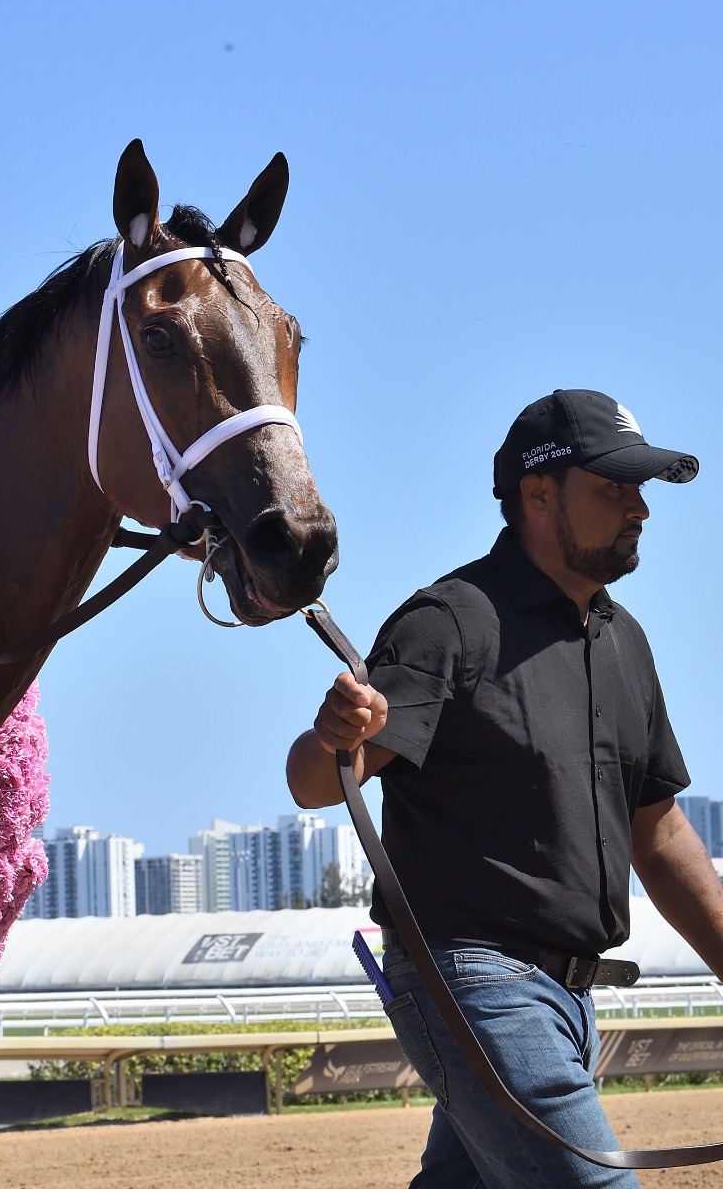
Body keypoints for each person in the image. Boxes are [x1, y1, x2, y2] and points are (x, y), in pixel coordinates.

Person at [287, 389, 723, 1187]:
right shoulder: (449, 625)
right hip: (476, 983)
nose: (640, 510)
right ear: (538, 494)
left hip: (571, 997)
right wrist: (334, 735)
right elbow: (317, 783)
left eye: (642, 490)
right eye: (614, 488)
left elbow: (658, 836)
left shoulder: (626, 643)